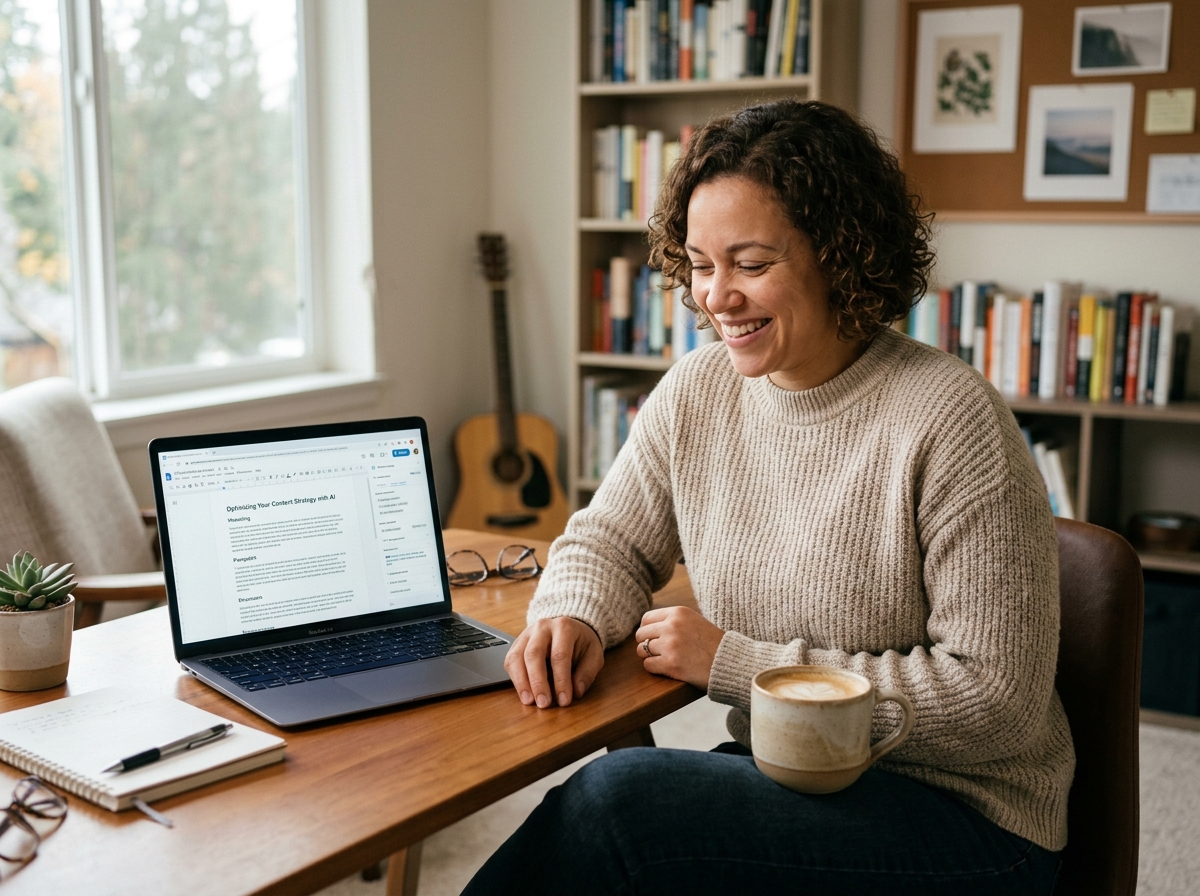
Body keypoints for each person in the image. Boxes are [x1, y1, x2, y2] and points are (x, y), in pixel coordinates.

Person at [462, 100, 1073, 895]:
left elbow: (998, 699)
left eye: (750, 264)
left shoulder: (953, 419)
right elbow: (610, 537)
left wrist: (741, 667)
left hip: (967, 821)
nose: (717, 296)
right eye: (701, 264)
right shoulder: (699, 389)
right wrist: (571, 611)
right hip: (795, 775)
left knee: (616, 809)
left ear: (841, 256)